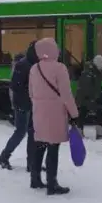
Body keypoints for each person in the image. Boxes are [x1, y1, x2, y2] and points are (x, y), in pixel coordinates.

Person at [29, 38, 79, 195]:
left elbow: (30, 92)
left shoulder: (34, 68)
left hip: (38, 112)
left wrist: (39, 103)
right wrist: (74, 113)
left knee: (39, 145)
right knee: (53, 147)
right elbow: (66, 94)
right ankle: (52, 183)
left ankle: (35, 179)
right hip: (55, 113)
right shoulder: (60, 68)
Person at [0, 43, 39, 171]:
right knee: (21, 132)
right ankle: (4, 157)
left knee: (33, 133)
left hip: (32, 104)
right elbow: (16, 86)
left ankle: (31, 163)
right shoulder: (23, 65)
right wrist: (30, 92)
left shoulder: (34, 64)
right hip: (22, 104)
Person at [75, 55, 102, 140]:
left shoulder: (92, 72)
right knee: (98, 110)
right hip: (86, 98)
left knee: (83, 113)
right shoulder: (90, 73)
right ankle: (99, 132)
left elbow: (93, 87)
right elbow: (88, 88)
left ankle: (79, 131)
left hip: (86, 98)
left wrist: (100, 93)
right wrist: (97, 97)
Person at [8, 53, 25, 125]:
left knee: (15, 105)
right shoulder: (20, 66)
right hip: (18, 90)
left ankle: (15, 119)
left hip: (13, 89)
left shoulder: (14, 66)